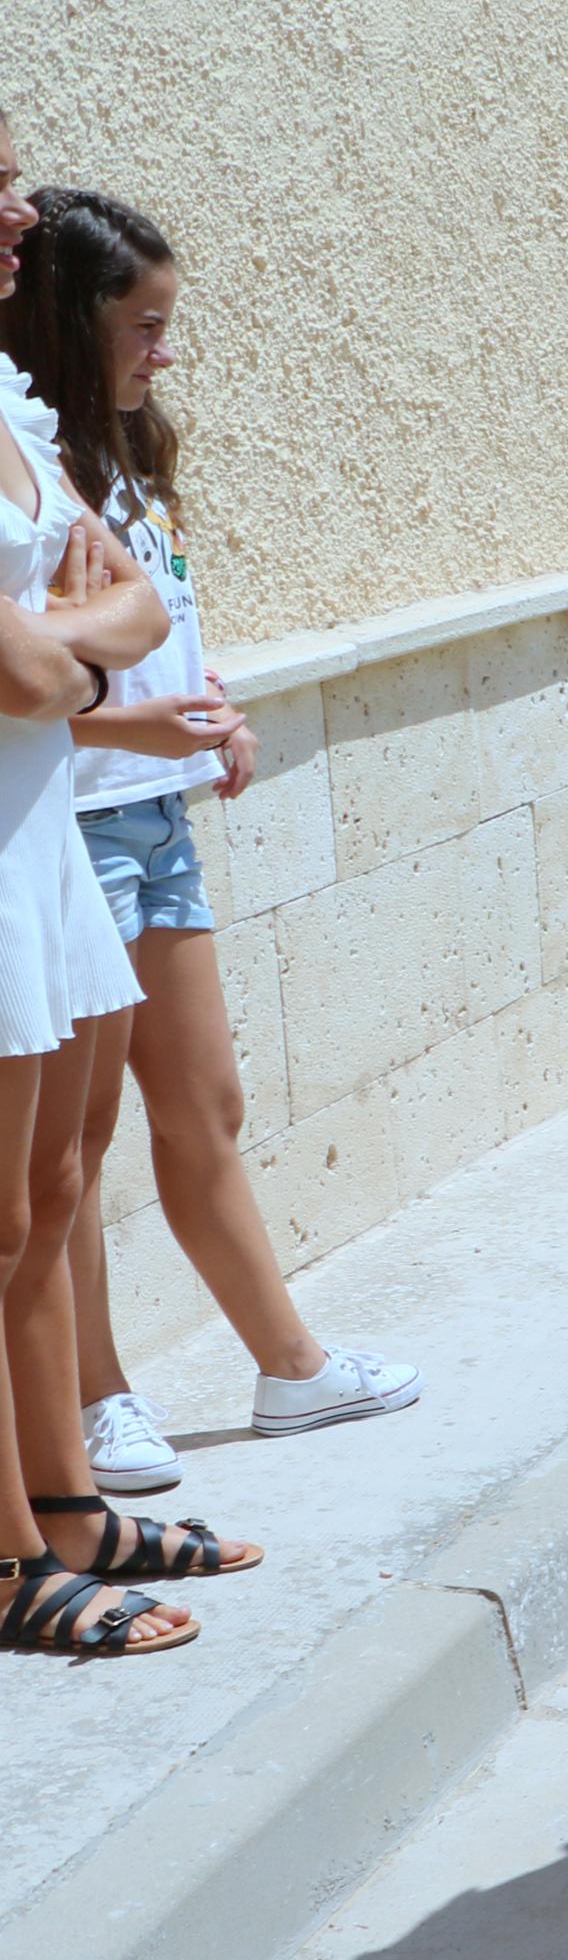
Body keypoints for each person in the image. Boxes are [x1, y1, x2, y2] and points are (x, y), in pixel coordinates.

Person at [0, 193, 415, 1503]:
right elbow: (39, 673)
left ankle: (286, 1362)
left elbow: (130, 618)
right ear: (76, 322)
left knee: (207, 1102)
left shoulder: (100, 460)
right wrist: (135, 706)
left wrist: (201, 691)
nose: (162, 353)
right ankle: (97, 1397)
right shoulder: (34, 445)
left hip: (149, 812)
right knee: (65, 1155)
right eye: (144, 325)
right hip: (68, 819)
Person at [0, 120, 206, 1661]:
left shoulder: (6, 403)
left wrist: (87, 632)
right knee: (2, 1219)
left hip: (34, 833)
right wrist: (90, 636)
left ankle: (66, 1502)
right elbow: (31, 659)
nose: (21, 205)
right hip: (17, 825)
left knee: (55, 1189)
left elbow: (121, 602)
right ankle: (11, 1553)